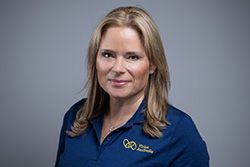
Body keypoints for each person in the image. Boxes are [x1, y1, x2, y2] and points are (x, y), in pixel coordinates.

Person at [55, 6, 209, 167]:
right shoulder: (76, 116)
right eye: (108, 55)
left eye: (133, 57)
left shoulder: (179, 130)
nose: (118, 68)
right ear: (95, 59)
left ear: (153, 64)